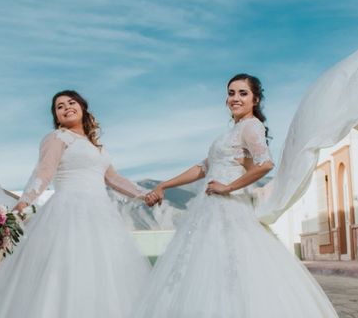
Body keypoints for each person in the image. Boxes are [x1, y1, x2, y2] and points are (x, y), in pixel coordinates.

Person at [136, 74, 338, 317]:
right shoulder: (232, 132)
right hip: (208, 209)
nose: (235, 98)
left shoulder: (252, 126)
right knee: (204, 268)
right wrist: (164, 185)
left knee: (232, 266)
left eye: (243, 93)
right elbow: (203, 167)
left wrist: (228, 187)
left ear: (256, 99)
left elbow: (265, 164)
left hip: (228, 208)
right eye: (231, 93)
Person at [0, 90, 150, 318]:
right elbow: (43, 172)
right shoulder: (58, 138)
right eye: (59, 106)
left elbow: (113, 178)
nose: (66, 108)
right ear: (56, 116)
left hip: (101, 214)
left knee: (102, 273)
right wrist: (20, 207)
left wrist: (145, 194)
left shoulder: (98, 148)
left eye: (71, 102)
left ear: (83, 107)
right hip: (68, 211)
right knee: (64, 269)